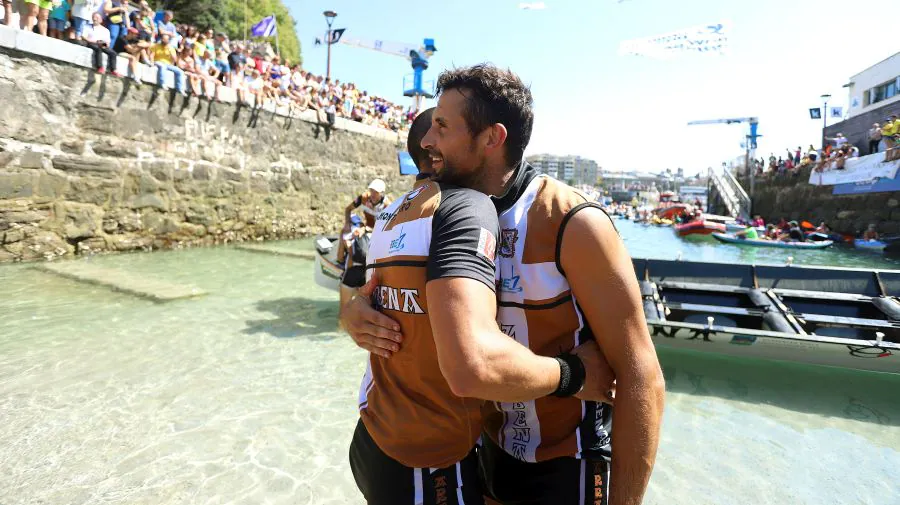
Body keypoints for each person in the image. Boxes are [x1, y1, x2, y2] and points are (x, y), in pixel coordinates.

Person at [343, 64, 664, 505]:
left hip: (567, 460)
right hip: (485, 449)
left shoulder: (573, 222)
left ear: (492, 139)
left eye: (441, 126)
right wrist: (355, 315)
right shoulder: (445, 214)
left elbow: (641, 376)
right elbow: (384, 292)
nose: (426, 141)